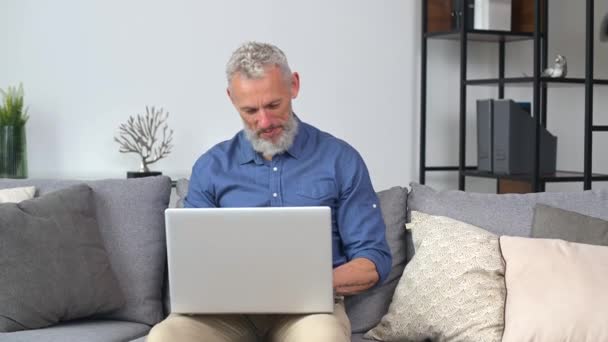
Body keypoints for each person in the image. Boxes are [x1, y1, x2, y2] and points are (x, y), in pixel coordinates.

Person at [148, 41, 391, 342]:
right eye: (250, 110)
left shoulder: (340, 159)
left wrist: (308, 283)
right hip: (224, 315)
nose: (264, 121)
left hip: (309, 313)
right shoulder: (211, 167)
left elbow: (373, 260)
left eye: (274, 105)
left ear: (294, 85)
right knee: (165, 337)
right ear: (231, 99)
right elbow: (192, 263)